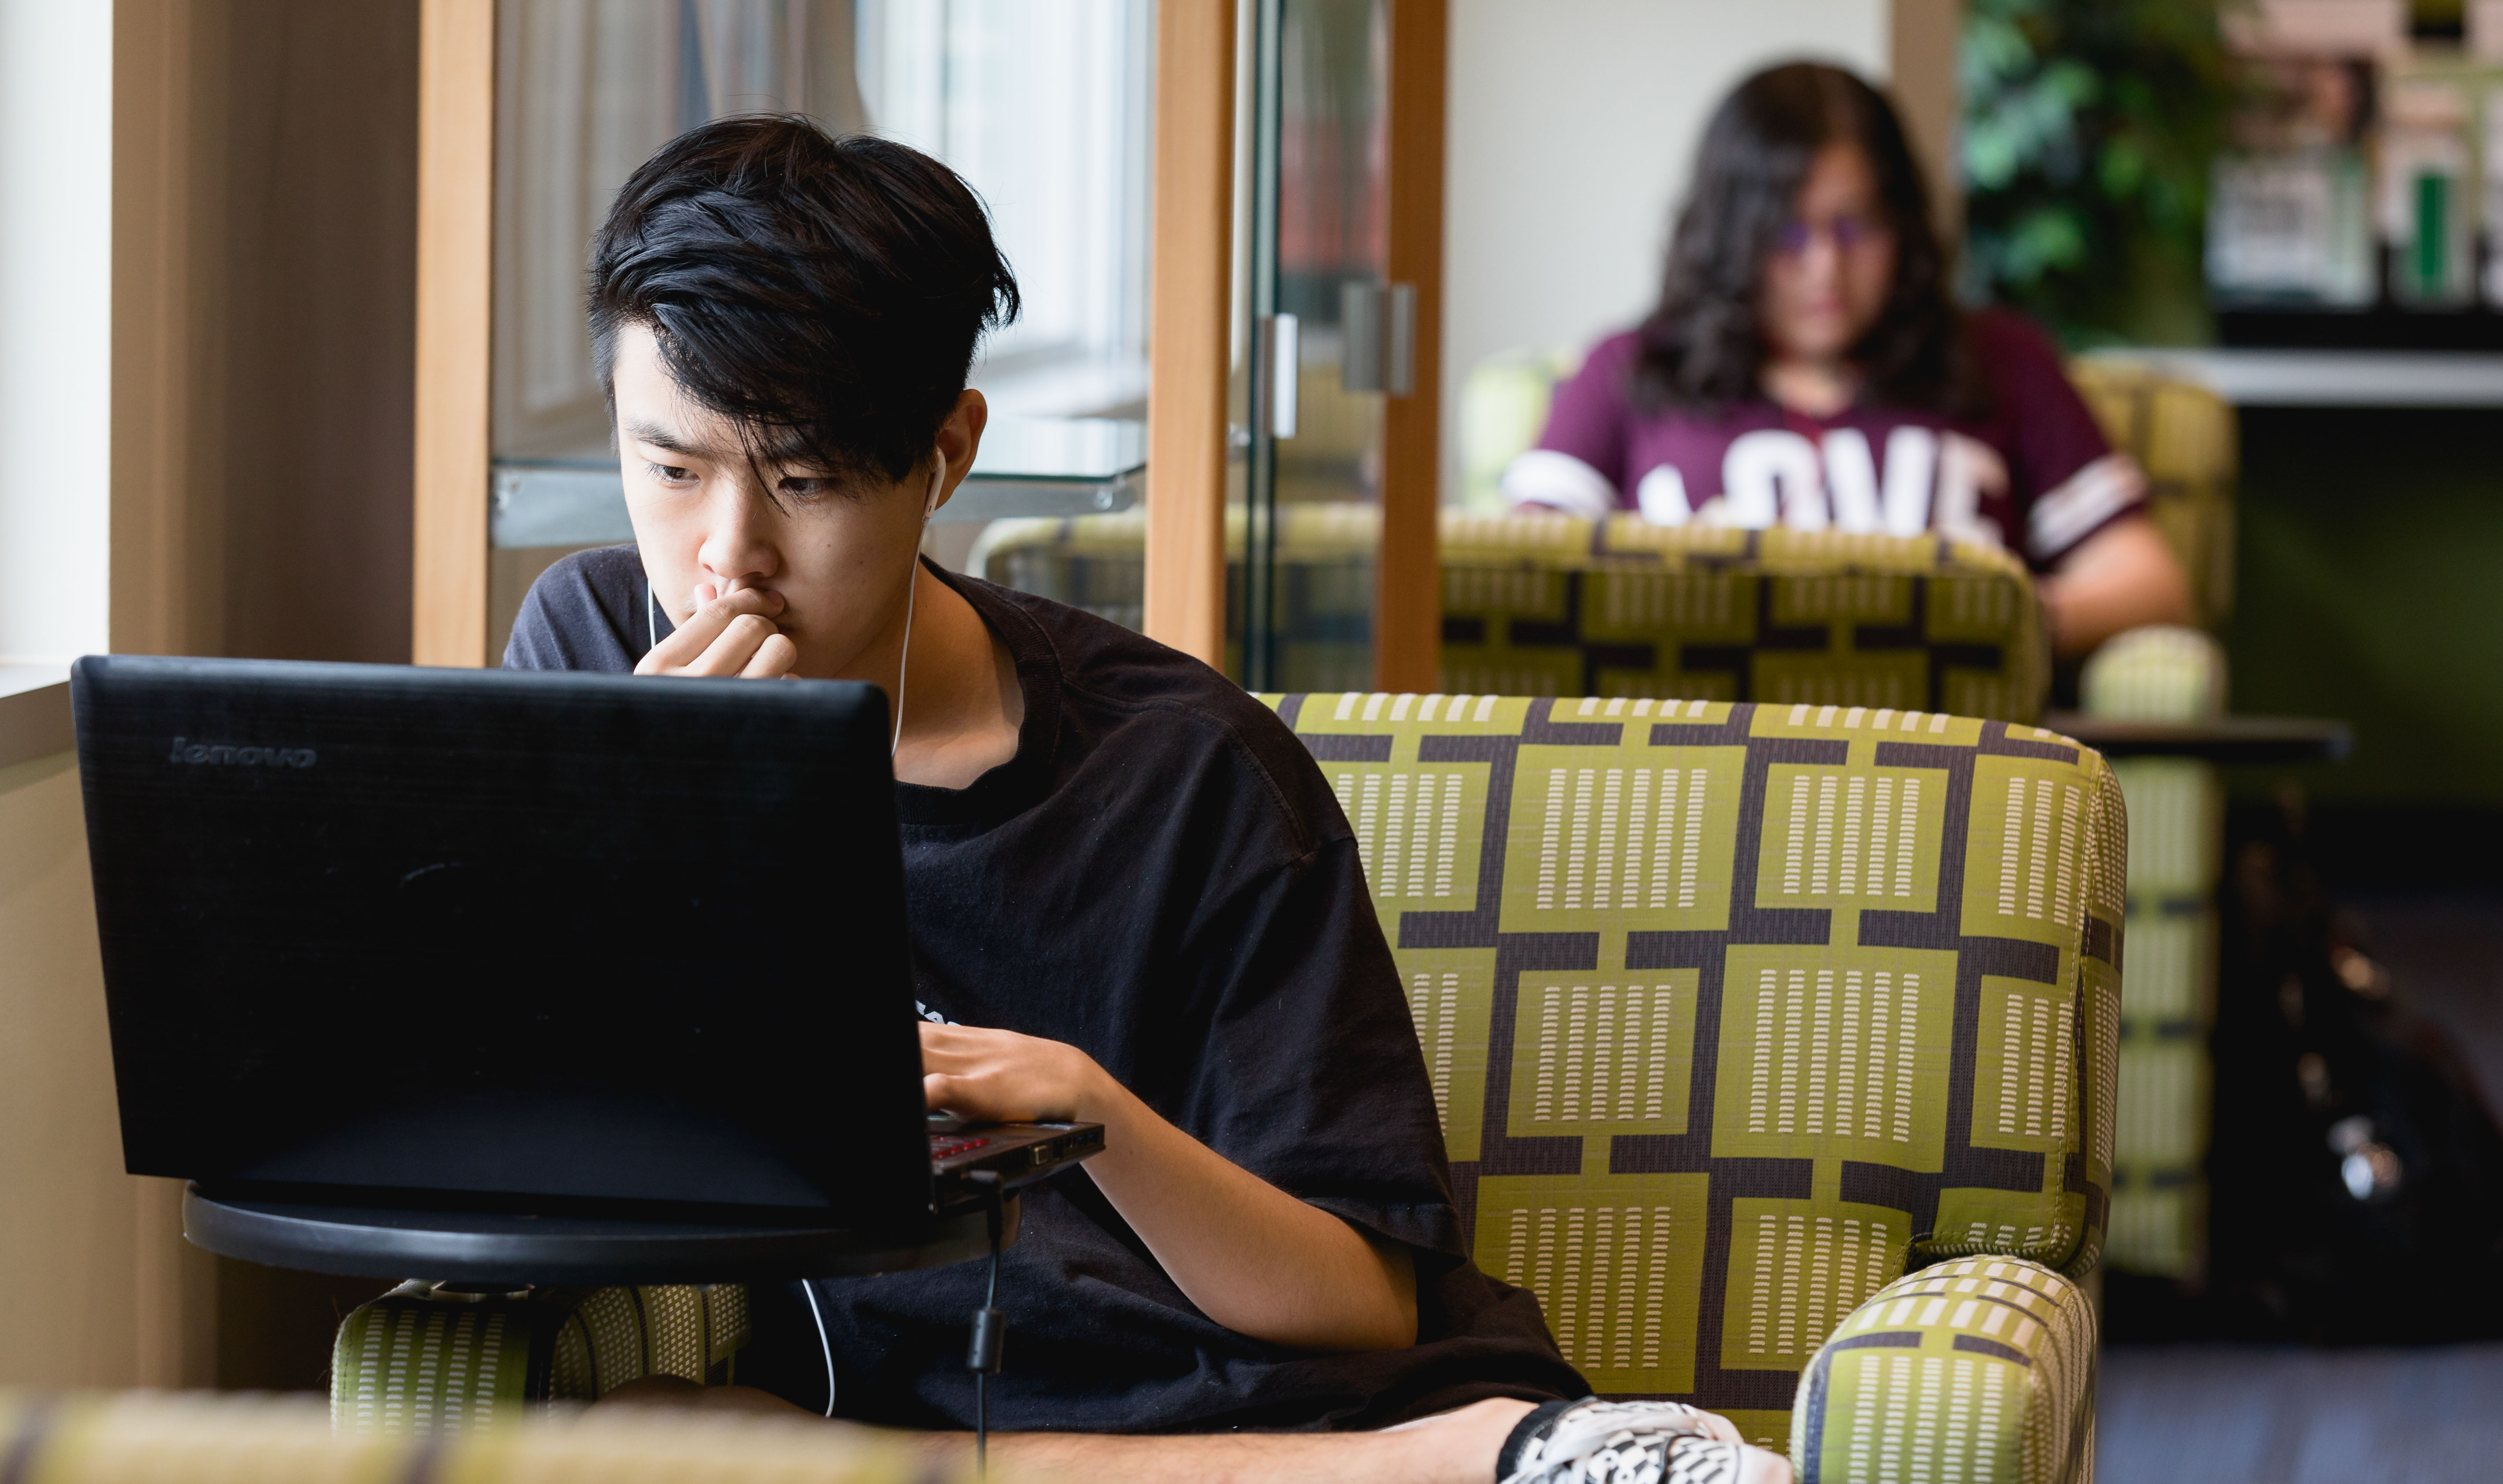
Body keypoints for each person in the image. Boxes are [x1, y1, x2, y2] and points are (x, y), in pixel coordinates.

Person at [503, 117, 1790, 1484]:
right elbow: (521, 1142)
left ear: (944, 455)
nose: (726, 560)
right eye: (671, 468)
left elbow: (1362, 1301)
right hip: (900, 1416)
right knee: (661, 1436)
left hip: (1276, 1404)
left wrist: (1084, 1110)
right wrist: (661, 827)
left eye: (805, 480)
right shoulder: (599, 658)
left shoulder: (1183, 772)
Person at [1501, 62, 2192, 655]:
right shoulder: (1631, 369)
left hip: (1948, 774)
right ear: (1730, 236)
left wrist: (1993, 621)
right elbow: (1520, 580)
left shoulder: (1999, 359)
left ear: (1903, 226)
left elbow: (2150, 582)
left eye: (1855, 227)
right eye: (1787, 232)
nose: (1824, 268)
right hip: (1695, 779)